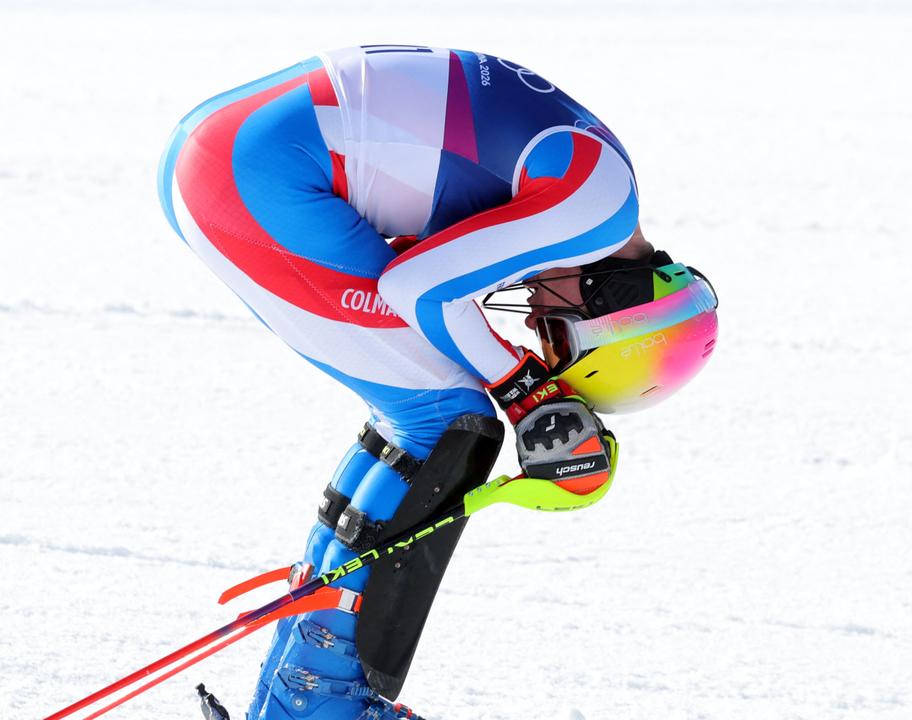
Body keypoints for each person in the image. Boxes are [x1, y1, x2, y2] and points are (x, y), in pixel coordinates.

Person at [158, 45, 718, 720]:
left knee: (424, 408)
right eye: (561, 337)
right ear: (614, 303)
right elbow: (417, 286)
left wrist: (519, 388)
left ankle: (299, 692)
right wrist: (523, 390)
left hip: (233, 149)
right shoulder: (590, 214)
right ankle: (314, 707)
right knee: (449, 416)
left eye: (546, 346)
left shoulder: (605, 192)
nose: (536, 325)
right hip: (258, 176)